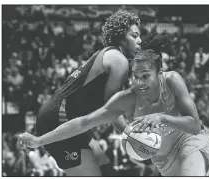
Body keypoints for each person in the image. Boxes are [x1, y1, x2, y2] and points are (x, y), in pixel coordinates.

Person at [18, 33, 209, 176]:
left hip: (191, 143)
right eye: (136, 77)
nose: (140, 82)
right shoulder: (126, 98)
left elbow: (194, 125)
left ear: (158, 72)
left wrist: (160, 117)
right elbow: (83, 123)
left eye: (146, 76)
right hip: (163, 160)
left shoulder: (172, 81)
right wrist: (40, 140)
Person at [18, 10, 142, 176]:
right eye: (134, 36)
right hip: (59, 117)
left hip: (61, 116)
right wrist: (130, 133)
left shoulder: (107, 54)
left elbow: (110, 108)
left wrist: (128, 132)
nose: (140, 41)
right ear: (120, 37)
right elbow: (111, 109)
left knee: (105, 169)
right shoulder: (119, 60)